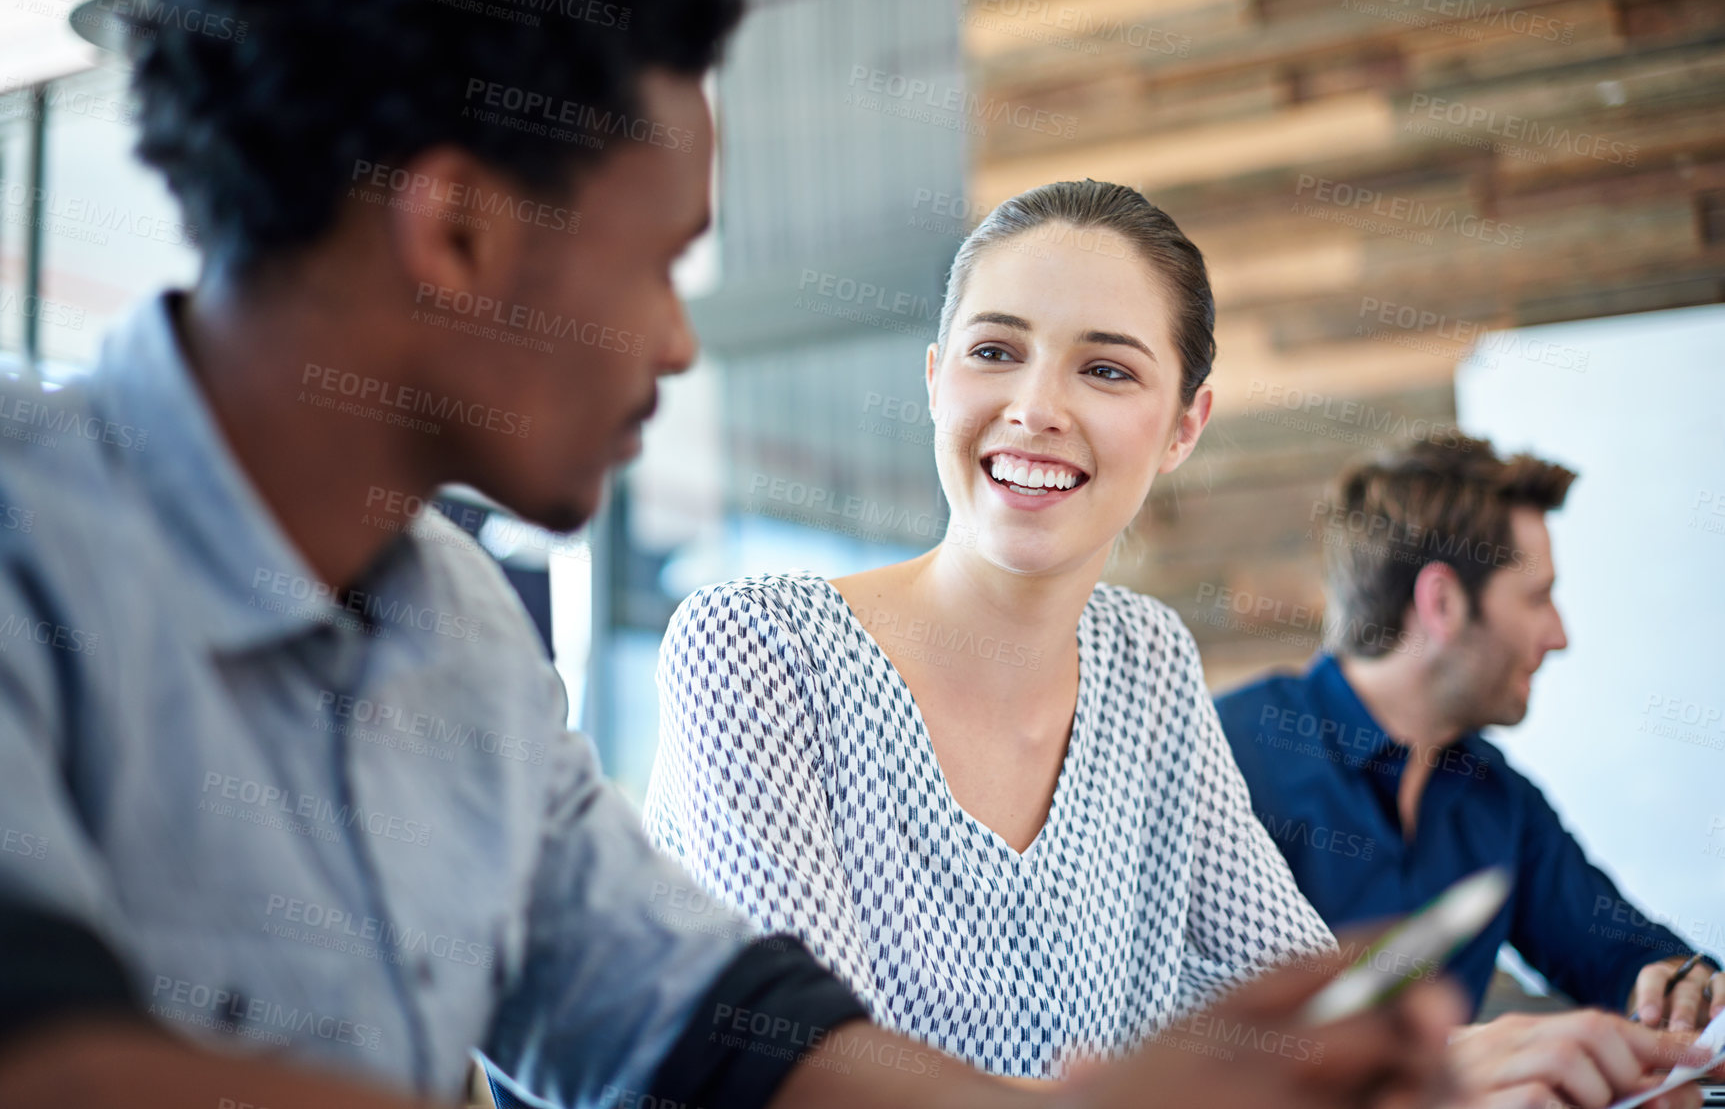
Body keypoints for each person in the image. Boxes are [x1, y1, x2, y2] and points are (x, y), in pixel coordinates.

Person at [0, 0, 1467, 1109]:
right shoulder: (29, 545)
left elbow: (703, 1017)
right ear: (454, 236)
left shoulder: (457, 638)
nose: (683, 344)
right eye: (659, 262)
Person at [643, 182, 1708, 1107]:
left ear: (1185, 425)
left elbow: (1307, 993)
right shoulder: (755, 645)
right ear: (935, 378)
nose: (1034, 406)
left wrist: (1499, 1062)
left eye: (1106, 371)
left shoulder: (1146, 660)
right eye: (995, 351)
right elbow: (796, 1077)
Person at [1215, 438, 1721, 1034]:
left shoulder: (1500, 801)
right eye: (1538, 598)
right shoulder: (1224, 759)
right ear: (1444, 602)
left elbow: (1622, 954)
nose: (1559, 636)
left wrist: (1675, 984)